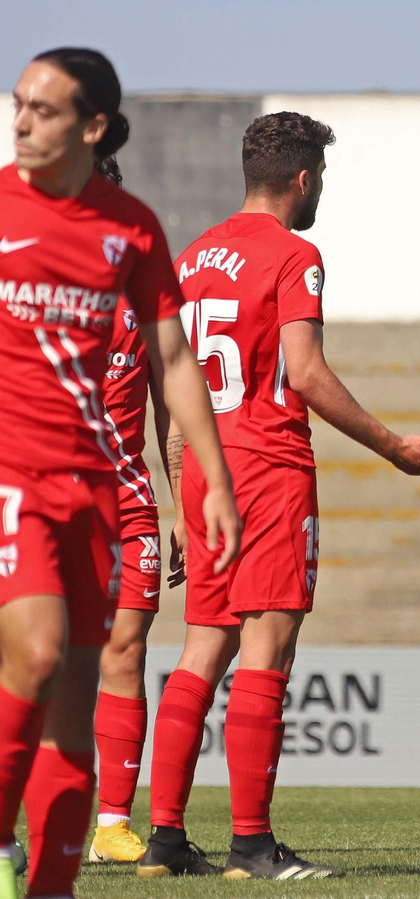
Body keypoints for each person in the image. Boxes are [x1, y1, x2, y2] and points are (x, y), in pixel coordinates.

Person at [136, 111, 420, 882]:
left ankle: (165, 839)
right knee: (268, 650)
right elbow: (306, 372)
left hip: (204, 471)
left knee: (202, 646)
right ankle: (252, 844)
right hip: (267, 465)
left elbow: (166, 379)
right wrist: (393, 446)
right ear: (304, 179)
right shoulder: (294, 253)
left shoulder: (193, 257)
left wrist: (181, 493)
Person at [0, 47, 241, 899]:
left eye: (43, 109)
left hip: (98, 488)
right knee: (38, 653)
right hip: (13, 478)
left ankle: (56, 878)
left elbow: (174, 361)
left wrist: (210, 484)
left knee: (77, 705)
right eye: (18, 104)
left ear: (94, 127)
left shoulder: (132, 228)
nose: (21, 122)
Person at [85, 291, 185, 864]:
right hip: (46, 501)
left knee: (126, 650)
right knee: (33, 656)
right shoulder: (31, 282)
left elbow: (171, 408)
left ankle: (112, 826)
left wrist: (184, 508)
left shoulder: (144, 300)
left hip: (127, 504)